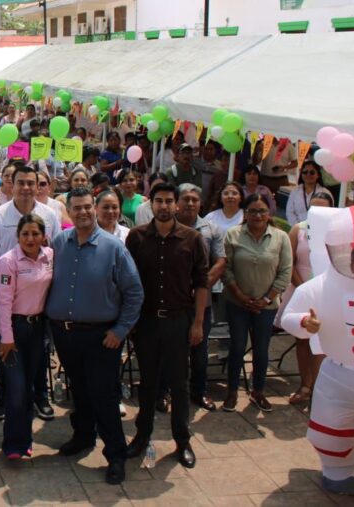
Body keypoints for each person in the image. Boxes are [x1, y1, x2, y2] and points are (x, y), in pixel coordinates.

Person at [45, 187, 142, 485]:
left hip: (102, 337)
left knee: (104, 396)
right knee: (80, 391)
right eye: (77, 207)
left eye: (87, 206)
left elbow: (134, 292)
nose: (83, 212)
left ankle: (116, 455)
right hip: (66, 335)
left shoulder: (114, 248)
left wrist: (120, 330)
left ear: (95, 208)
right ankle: (83, 436)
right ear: (69, 211)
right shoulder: (59, 243)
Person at [281, 206, 354, 496]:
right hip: (340, 376)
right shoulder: (321, 286)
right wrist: (305, 322)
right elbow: (289, 317)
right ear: (347, 259)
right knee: (326, 437)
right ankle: (346, 468)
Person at [124, 183, 208, 469]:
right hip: (146, 322)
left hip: (178, 321)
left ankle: (182, 441)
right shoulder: (136, 237)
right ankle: (142, 435)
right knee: (147, 383)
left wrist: (198, 323)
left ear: (176, 204)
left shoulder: (192, 238)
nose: (163, 206)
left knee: (179, 384)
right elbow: (128, 282)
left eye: (169, 201)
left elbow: (201, 283)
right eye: (158, 201)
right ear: (151, 204)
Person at [221, 194, 292, 413]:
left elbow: (285, 272)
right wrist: (240, 296)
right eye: (252, 211)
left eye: (262, 211)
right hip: (237, 303)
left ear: (269, 213)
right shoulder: (233, 234)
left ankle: (258, 391)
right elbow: (226, 269)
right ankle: (232, 391)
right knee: (237, 346)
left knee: (261, 350)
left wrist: (266, 299)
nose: (257, 215)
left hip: (266, 306)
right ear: (245, 213)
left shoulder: (281, 237)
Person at [0, 214, 53, 460]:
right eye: (25, 234)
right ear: (17, 236)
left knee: (29, 386)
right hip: (13, 330)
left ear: (43, 236)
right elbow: (3, 302)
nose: (30, 239)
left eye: (35, 233)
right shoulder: (7, 261)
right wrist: (6, 338)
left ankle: (25, 440)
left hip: (37, 329)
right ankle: (12, 444)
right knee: (16, 389)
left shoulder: (49, 256)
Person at [167, 183, 227, 412]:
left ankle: (199, 391)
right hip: (172, 300)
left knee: (199, 350)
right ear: (177, 202)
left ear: (200, 203)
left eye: (194, 199)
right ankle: (166, 391)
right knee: (170, 349)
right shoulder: (166, 227)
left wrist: (200, 286)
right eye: (185, 199)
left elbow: (220, 262)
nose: (190, 203)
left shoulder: (211, 230)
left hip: (201, 303)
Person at [279, 190, 333, 408]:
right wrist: (304, 288)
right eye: (314, 208)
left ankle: (320, 388)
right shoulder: (298, 229)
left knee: (322, 342)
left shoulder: (337, 232)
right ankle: (305, 385)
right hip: (300, 287)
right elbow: (289, 261)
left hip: (327, 292)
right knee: (302, 339)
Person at [286, 161, 330, 226]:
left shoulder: (325, 193)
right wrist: (298, 227)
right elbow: (289, 212)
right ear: (301, 174)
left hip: (317, 227)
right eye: (305, 172)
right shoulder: (295, 192)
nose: (308, 175)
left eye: (312, 172)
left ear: (318, 175)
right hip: (297, 228)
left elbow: (327, 214)